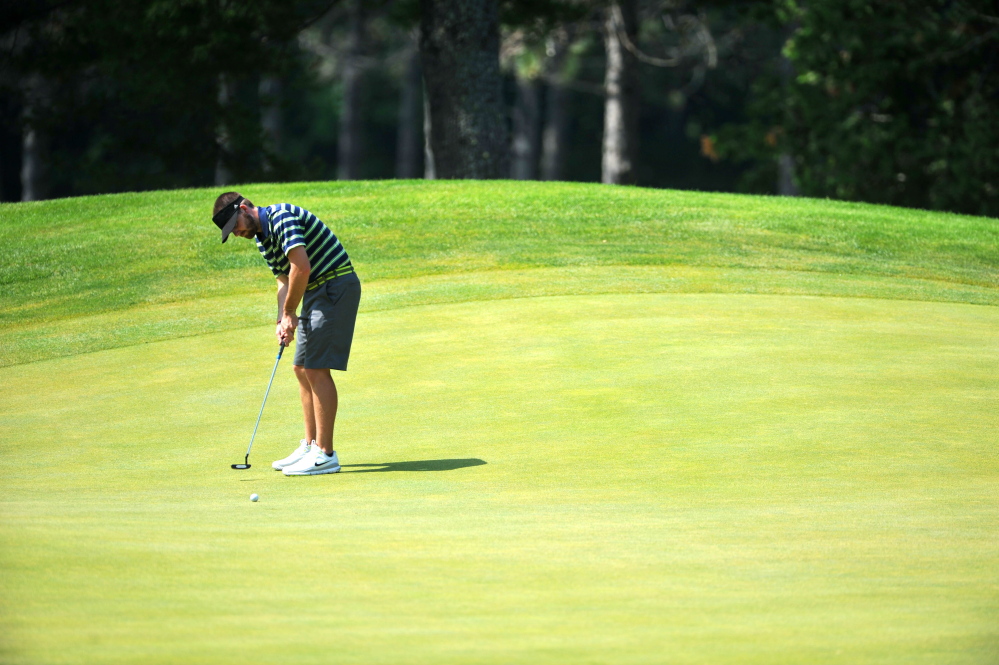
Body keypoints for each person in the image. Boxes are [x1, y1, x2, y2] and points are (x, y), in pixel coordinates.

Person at [211, 192, 361, 476]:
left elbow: (301, 267)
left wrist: (291, 312)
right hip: (315, 291)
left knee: (316, 368)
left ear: (244, 208)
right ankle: (310, 444)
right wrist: (282, 319)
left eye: (236, 226)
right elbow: (284, 280)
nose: (237, 233)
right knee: (301, 367)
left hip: (335, 285)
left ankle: (325, 454)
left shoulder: (281, 218)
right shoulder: (261, 239)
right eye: (232, 231)